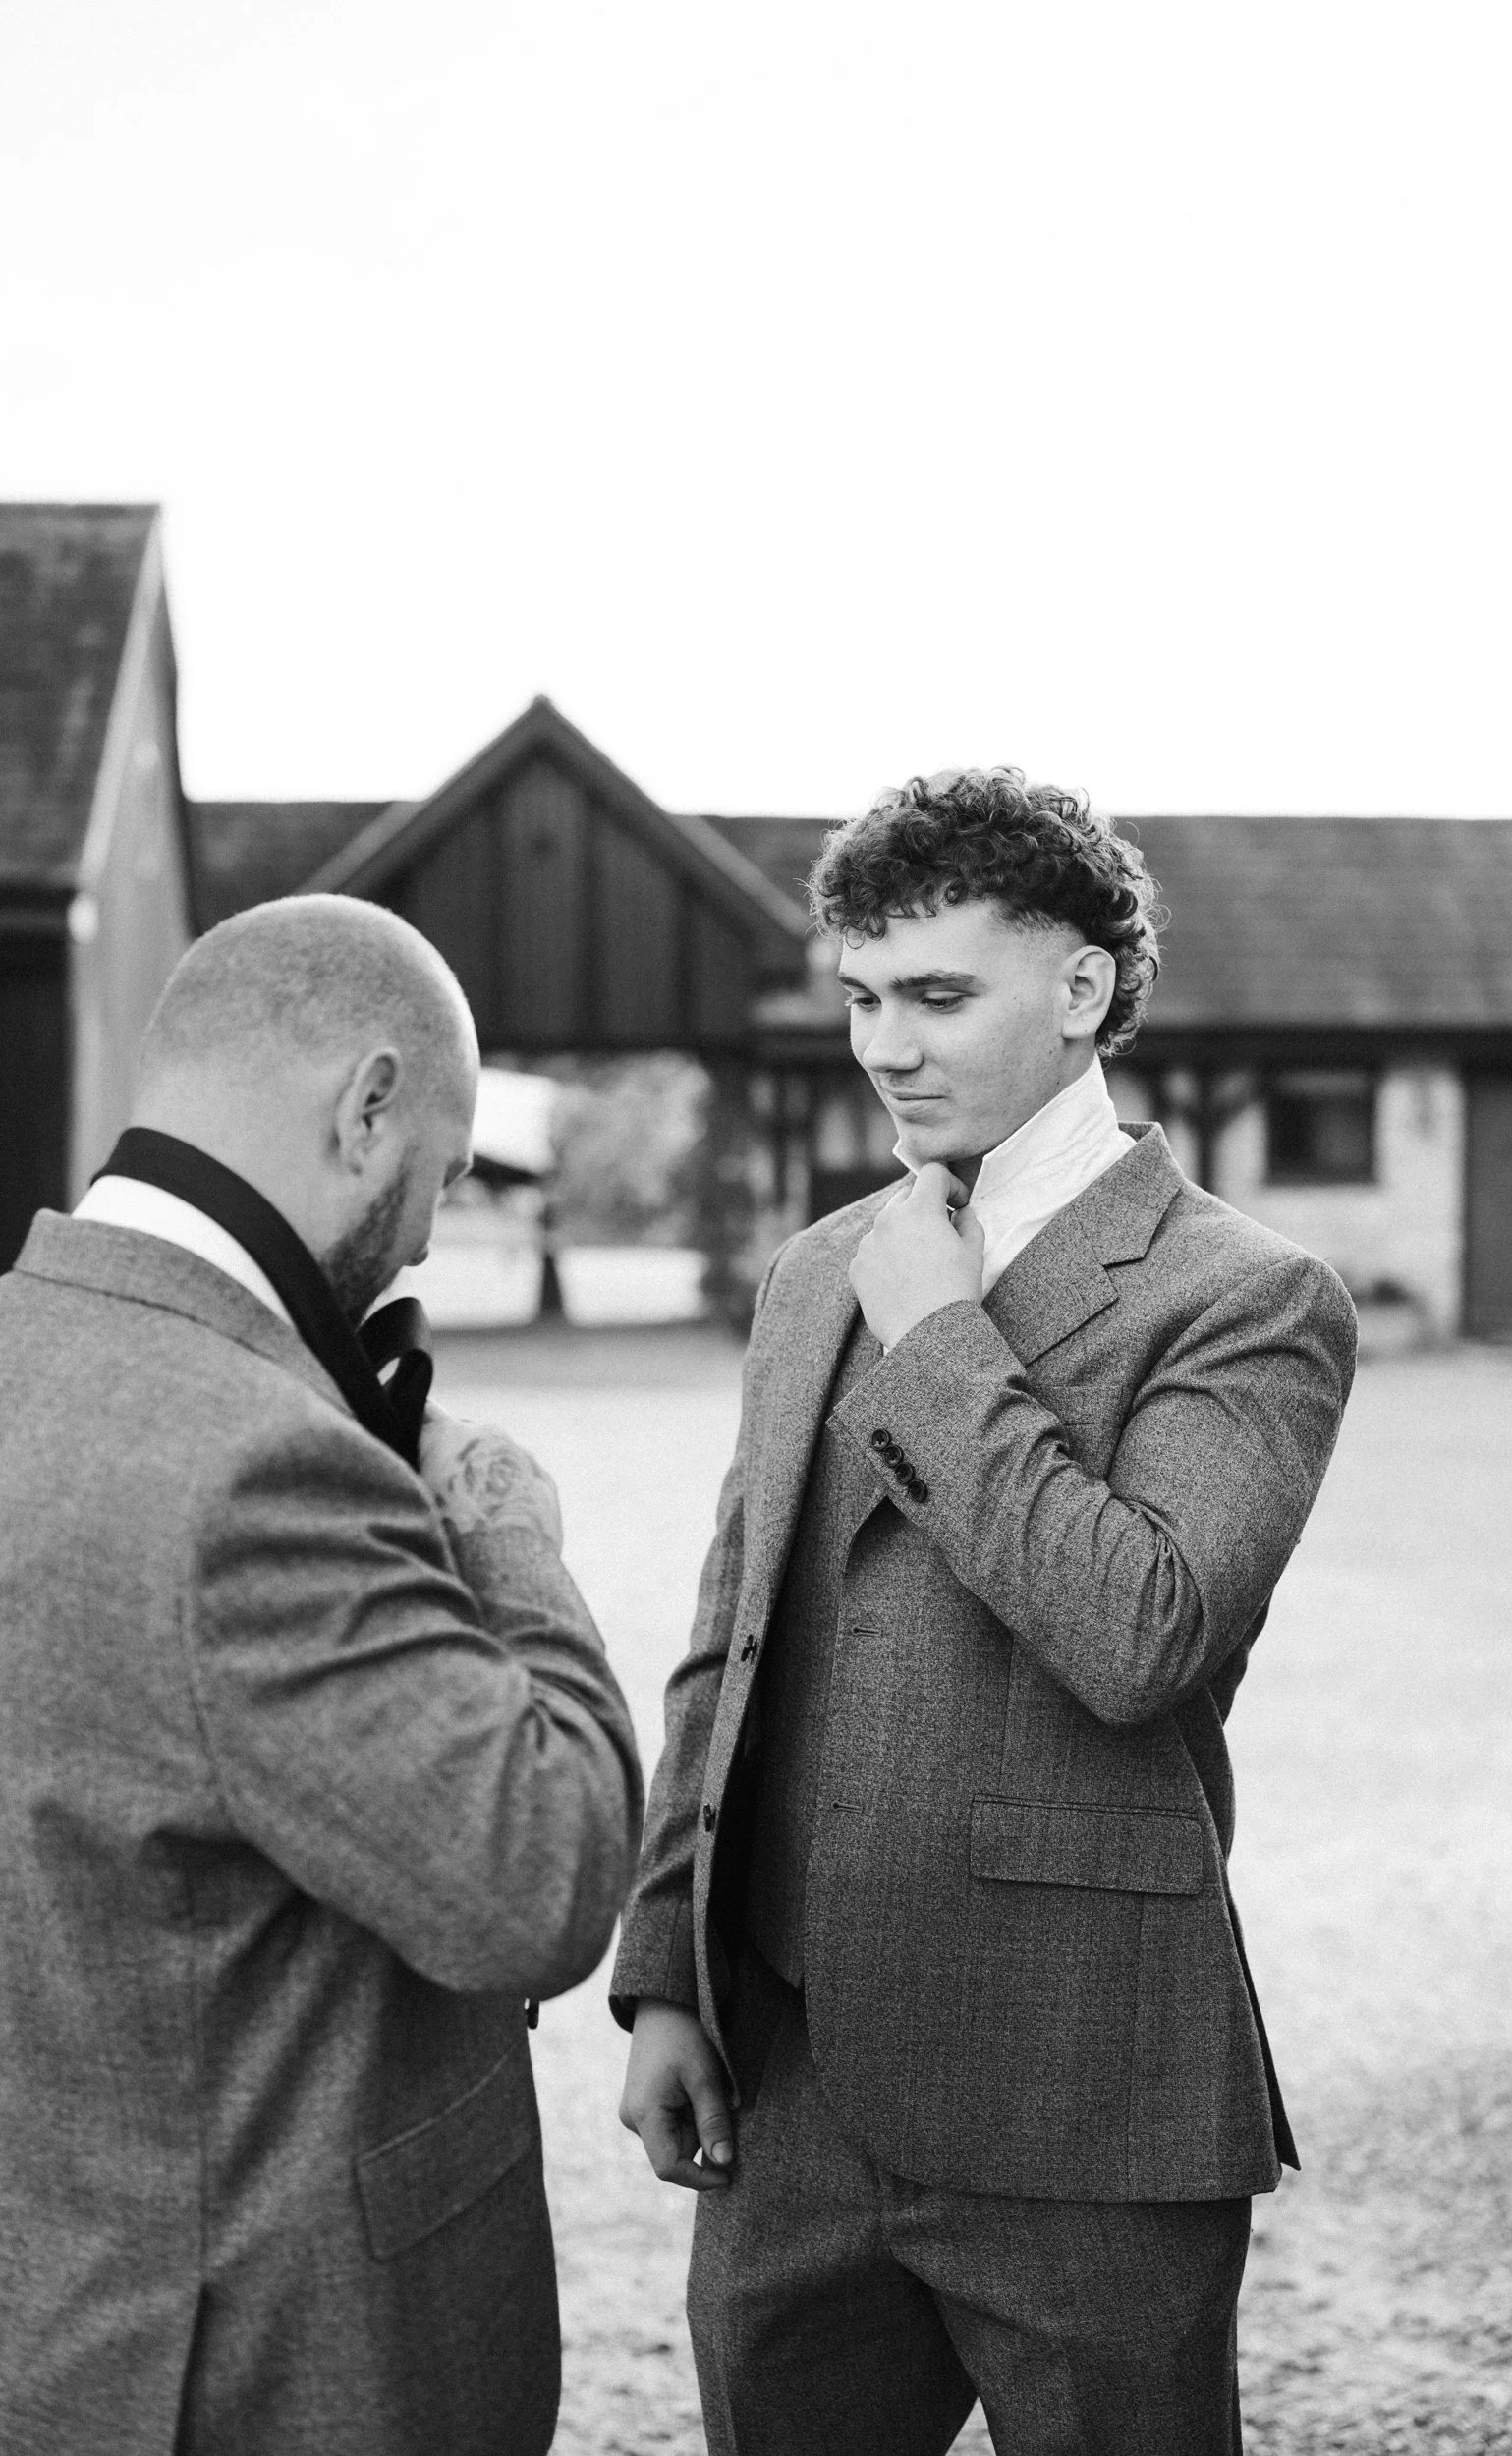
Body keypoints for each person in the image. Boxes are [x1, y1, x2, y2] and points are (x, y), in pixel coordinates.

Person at [614, 769, 1357, 2455]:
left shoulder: (1243, 1296)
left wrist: (945, 1340)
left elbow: (1141, 1634)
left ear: (1080, 989)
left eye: (937, 995)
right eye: (862, 996)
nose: (884, 1045)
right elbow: (728, 1636)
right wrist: (667, 1970)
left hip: (1079, 2085)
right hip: (785, 2100)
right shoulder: (820, 1268)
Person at [0, 894, 644, 2456]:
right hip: (269, 2364)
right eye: (437, 1172)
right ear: (368, 1104)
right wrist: (504, 1537)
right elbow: (537, 1876)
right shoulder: (260, 1469)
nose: (426, 1234)